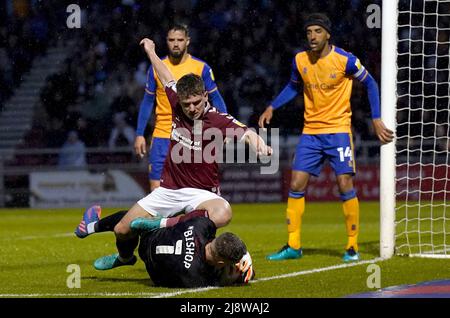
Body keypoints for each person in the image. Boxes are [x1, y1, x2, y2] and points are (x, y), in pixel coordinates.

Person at [74, 37, 271, 271]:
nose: (191, 109)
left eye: (197, 103)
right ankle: (125, 258)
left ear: (205, 96)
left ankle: (172, 231)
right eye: (187, 104)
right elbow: (166, 75)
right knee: (122, 230)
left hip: (202, 194)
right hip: (169, 190)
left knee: (223, 213)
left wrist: (259, 143)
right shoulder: (177, 101)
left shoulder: (216, 119)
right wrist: (151, 52)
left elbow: (246, 132)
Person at [259, 13, 394, 262]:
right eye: (309, 32)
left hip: (339, 131)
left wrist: (376, 119)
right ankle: (293, 245)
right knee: (297, 184)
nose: (312, 36)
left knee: (344, 184)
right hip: (311, 133)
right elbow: (292, 86)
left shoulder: (345, 60)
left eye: (317, 31)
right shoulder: (300, 60)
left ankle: (352, 246)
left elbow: (372, 83)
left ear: (328, 34)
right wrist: (272, 106)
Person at [134, 24, 228, 191]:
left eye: (180, 40)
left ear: (187, 41)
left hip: (190, 135)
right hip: (162, 134)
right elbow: (148, 101)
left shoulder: (201, 68)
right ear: (166, 42)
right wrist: (140, 134)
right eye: (171, 40)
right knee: (156, 189)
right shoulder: (156, 67)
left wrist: (224, 128)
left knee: (191, 189)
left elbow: (216, 98)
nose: (175, 44)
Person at [76, 206, 254, 287]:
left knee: (127, 220)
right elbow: (217, 279)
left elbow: (197, 214)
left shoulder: (201, 226)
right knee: (129, 225)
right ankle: (125, 258)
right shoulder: (197, 279)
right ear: (222, 262)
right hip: (152, 263)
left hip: (154, 237)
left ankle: (93, 228)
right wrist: (232, 280)